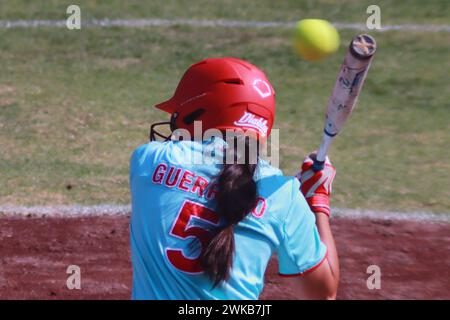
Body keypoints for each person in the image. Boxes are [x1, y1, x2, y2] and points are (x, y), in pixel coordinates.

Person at [129, 57, 339, 300]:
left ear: (199, 114)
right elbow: (322, 294)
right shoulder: (284, 194)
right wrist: (317, 201)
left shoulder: (149, 161)